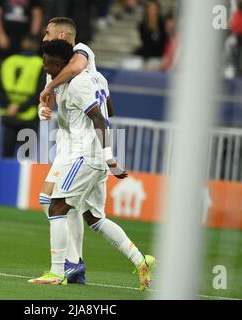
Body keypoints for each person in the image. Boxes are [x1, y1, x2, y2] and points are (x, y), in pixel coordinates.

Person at [29, 40, 155, 290]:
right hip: (93, 158)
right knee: (94, 217)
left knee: (56, 205)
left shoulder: (77, 84)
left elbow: (99, 118)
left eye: (47, 65)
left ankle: (57, 271)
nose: (45, 69)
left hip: (84, 155)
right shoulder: (98, 79)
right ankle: (141, 260)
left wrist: (110, 158)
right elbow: (110, 110)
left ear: (58, 63)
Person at [38, 17, 99, 284]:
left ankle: (69, 264)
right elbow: (46, 97)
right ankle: (74, 263)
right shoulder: (52, 60)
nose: (43, 37)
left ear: (62, 35)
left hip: (81, 145)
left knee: (56, 203)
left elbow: (75, 68)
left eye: (47, 33)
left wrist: (50, 87)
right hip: (65, 142)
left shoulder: (82, 51)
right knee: (62, 205)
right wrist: (44, 107)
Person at [0, 35, 44, 158]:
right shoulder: (41, 64)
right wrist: (20, 108)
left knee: (6, 157)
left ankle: (5, 178)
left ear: (22, 44)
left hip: (10, 117)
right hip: (29, 119)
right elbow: (40, 93)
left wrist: (9, 107)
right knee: (26, 161)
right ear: (37, 47)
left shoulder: (8, 61)